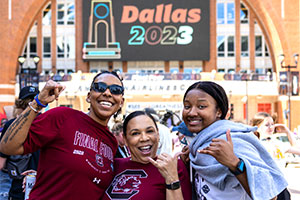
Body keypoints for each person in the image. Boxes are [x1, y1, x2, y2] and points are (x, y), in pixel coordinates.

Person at [0, 71, 125, 199]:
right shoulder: (62, 117)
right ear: (88, 96)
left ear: (121, 102)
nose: (107, 93)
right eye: (100, 87)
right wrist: (38, 102)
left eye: (116, 90)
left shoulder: (111, 142)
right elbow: (8, 147)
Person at [183, 81, 287, 200]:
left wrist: (234, 163)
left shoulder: (234, 140)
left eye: (201, 106)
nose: (191, 112)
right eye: (187, 106)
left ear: (219, 111)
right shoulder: (198, 147)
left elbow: (270, 196)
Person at [102, 110, 192, 200]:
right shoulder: (112, 165)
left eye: (149, 131)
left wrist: (172, 180)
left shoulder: (175, 167)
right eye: (135, 133)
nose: (144, 138)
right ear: (125, 139)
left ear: (158, 134)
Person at [0, 86, 40, 200]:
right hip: (42, 186)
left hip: (17, 185)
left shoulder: (11, 126)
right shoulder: (47, 124)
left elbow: (1, 163)